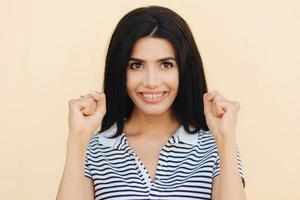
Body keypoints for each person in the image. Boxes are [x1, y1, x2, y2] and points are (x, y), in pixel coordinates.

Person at [56, 5, 246, 200]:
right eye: (136, 65)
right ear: (120, 70)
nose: (151, 82)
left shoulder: (216, 148)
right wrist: (77, 139)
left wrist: (225, 139)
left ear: (184, 70)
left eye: (166, 64)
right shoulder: (93, 150)